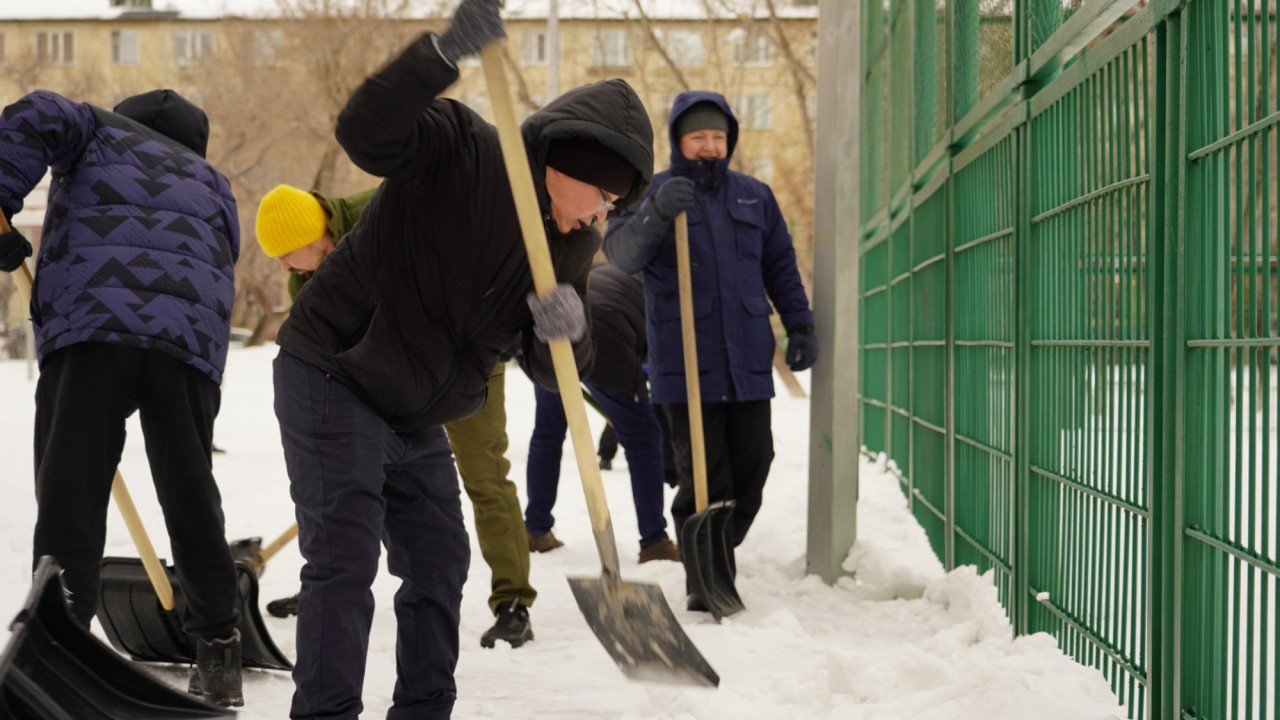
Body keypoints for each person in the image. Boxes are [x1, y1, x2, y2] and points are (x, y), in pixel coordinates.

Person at [269, 0, 654, 715]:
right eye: (602, 194)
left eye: (614, 205)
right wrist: (439, 58)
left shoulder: (569, 247)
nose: (602, 214)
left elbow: (553, 370)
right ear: (568, 160)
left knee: (441, 562)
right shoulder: (463, 148)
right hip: (335, 369)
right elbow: (363, 133)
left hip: (418, 410)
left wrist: (567, 329)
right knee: (346, 556)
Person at [0, 88, 244, 706]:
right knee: (190, 489)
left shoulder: (95, 129)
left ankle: (63, 640)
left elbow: (35, 113)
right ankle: (218, 648)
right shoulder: (214, 181)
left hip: (93, 323)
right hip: (187, 343)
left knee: (71, 489)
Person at [253, 183, 540, 649]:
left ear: (319, 235)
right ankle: (328, 585)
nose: (283, 266)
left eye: (286, 253)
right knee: (336, 470)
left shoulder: (386, 206)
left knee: (484, 473)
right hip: (385, 372)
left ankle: (513, 601)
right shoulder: (304, 277)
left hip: (462, 356)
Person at [603, 91, 818, 611]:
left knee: (755, 463)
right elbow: (621, 255)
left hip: (744, 360)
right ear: (679, 140)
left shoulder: (754, 196)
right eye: (698, 137)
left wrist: (800, 324)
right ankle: (707, 581)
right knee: (704, 477)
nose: (709, 146)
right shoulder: (648, 194)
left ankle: (715, 552)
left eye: (718, 137)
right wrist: (656, 212)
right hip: (685, 365)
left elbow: (781, 267)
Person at [524, 261, 680, 562]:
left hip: (557, 326)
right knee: (644, 437)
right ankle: (654, 541)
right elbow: (659, 358)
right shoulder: (662, 287)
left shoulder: (616, 267)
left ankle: (536, 528)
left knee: (547, 431)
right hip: (606, 337)